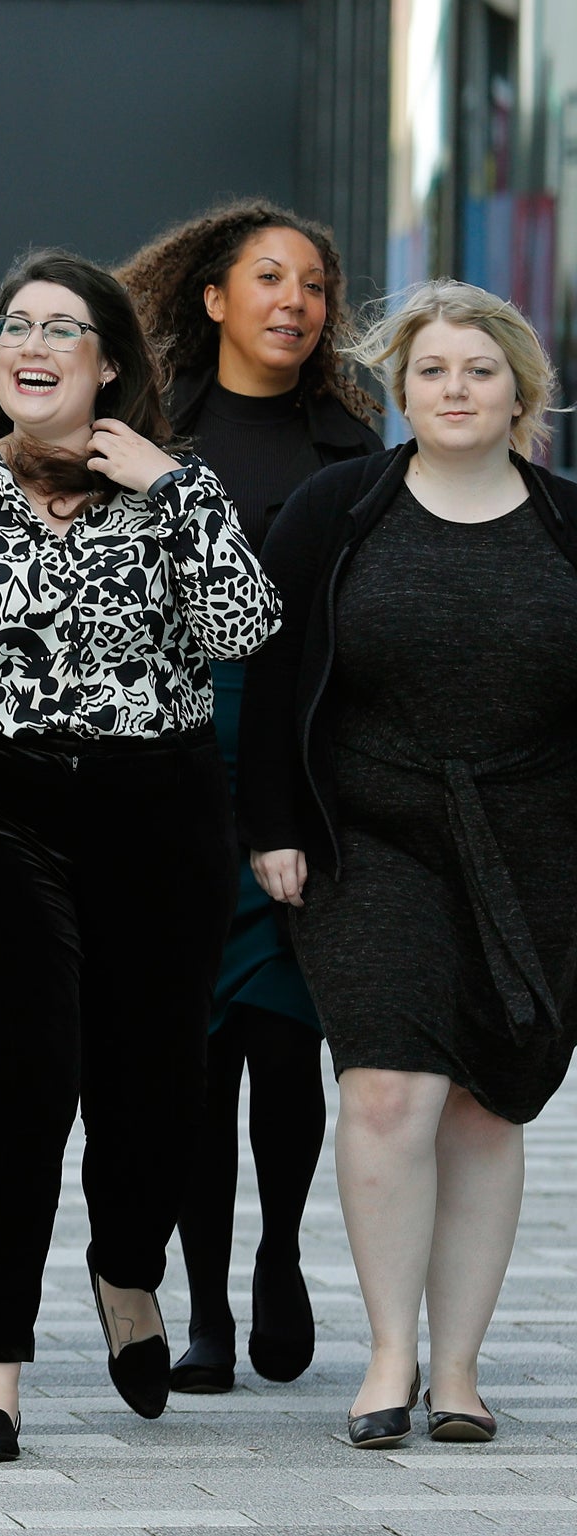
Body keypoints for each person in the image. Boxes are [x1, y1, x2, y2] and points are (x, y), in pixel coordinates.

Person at [0, 250, 280, 1463]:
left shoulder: (169, 487)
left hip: (153, 816)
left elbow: (241, 629)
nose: (29, 343)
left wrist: (173, 490)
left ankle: (123, 1269)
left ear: (107, 364)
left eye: (62, 328)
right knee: (12, 1085)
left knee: (153, 1084)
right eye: (13, 326)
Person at [241, 280, 577, 1449]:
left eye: (478, 372)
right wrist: (270, 824)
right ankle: (387, 1356)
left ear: (518, 392)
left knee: (488, 1107)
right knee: (387, 1087)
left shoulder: (565, 521)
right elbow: (273, 683)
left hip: (536, 845)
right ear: (400, 386)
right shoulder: (337, 509)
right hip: (365, 837)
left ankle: (460, 1374)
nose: (453, 390)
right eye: (432, 370)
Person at [118, 202, 383, 1393]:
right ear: (213, 298)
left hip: (302, 771)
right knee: (194, 1052)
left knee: (284, 1045)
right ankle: (208, 1305)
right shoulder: (150, 425)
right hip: (172, 766)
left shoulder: (358, 439)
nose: (293, 300)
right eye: (267, 278)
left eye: (314, 285)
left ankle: (278, 1254)